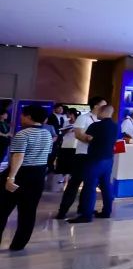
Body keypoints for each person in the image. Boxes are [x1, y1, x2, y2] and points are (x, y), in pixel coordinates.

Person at [0, 105, 52, 251]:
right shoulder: (47, 134)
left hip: (21, 174)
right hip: (38, 175)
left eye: (23, 115)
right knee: (28, 211)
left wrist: (11, 178)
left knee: (3, 208)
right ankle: (19, 244)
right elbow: (47, 154)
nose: (21, 117)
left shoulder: (22, 134)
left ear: (29, 116)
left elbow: (18, 156)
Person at [57, 95, 106, 219]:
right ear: (96, 106)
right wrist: (92, 140)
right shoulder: (83, 118)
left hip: (95, 156)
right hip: (82, 155)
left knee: (90, 184)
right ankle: (63, 210)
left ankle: (84, 208)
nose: (105, 107)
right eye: (103, 105)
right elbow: (78, 135)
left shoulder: (102, 120)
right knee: (74, 183)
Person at [71, 105, 120, 223]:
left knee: (90, 187)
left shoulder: (96, 125)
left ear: (102, 112)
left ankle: (86, 215)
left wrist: (85, 136)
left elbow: (87, 138)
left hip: (95, 159)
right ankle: (107, 212)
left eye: (98, 112)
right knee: (106, 186)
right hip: (108, 159)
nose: (96, 114)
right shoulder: (115, 126)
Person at [47, 103, 66, 172]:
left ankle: (53, 167)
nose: (61, 110)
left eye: (62, 108)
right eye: (59, 108)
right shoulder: (51, 117)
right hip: (52, 136)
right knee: (51, 152)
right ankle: (49, 167)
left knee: (56, 152)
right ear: (55, 109)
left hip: (59, 137)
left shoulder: (62, 118)